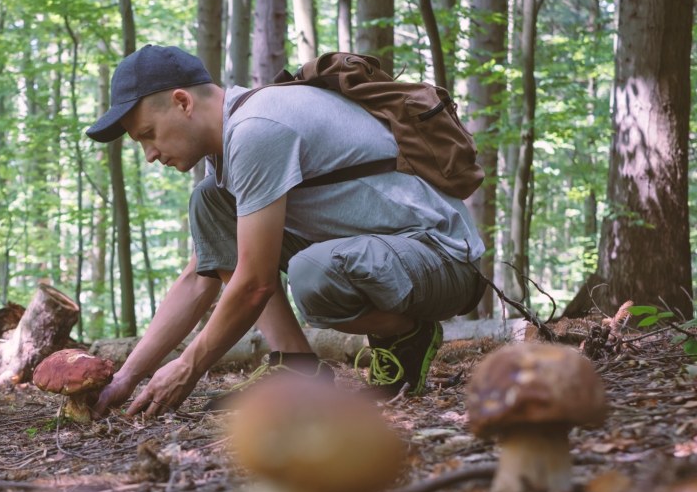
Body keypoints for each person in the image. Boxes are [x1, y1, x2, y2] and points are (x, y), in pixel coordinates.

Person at [85, 45, 485, 419]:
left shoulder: (258, 129)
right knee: (210, 201)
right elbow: (199, 279)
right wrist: (126, 377)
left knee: (314, 273)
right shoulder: (231, 146)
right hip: (386, 257)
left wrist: (189, 367)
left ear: (182, 102)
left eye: (148, 135)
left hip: (443, 260)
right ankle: (298, 367)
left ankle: (406, 336)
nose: (150, 154)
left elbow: (255, 283)